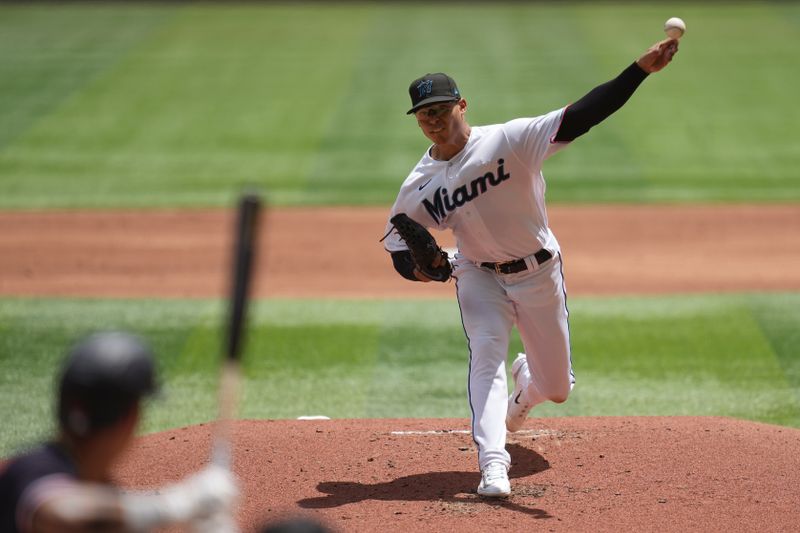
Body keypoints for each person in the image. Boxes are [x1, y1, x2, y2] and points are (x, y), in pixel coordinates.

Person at [383, 38, 679, 497]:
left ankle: (528, 389)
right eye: (425, 114)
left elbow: (584, 114)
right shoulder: (417, 185)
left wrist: (639, 70)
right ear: (417, 120)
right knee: (485, 355)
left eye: (442, 109)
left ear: (462, 105)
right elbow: (401, 253)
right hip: (478, 275)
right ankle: (493, 466)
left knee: (558, 387)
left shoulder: (511, 140)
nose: (435, 121)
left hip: (539, 272)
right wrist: (429, 270)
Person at [0, 331, 238, 532]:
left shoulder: (98, 491)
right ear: (130, 417)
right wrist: (176, 504)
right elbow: (58, 512)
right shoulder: (34, 470)